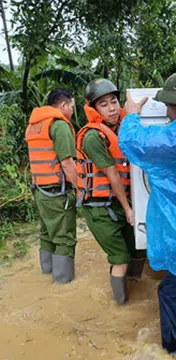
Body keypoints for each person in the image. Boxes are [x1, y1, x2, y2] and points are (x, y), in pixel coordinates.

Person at [118, 74, 176, 353]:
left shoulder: (169, 140)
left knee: (169, 291)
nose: (166, 110)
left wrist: (130, 115)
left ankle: (171, 349)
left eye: (169, 105)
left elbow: (133, 143)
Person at [76, 78, 146, 305]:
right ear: (93, 108)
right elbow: (112, 175)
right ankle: (121, 305)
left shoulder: (121, 128)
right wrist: (128, 209)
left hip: (120, 201)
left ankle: (136, 286)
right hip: (99, 207)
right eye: (104, 104)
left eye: (114, 101)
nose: (112, 108)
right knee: (120, 258)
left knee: (139, 248)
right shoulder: (93, 137)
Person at [24, 88, 78, 283]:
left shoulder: (35, 125)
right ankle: (63, 284)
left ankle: (47, 275)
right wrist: (81, 188)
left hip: (40, 191)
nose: (72, 111)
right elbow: (67, 163)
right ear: (63, 106)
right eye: (71, 107)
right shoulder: (59, 126)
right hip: (58, 193)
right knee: (64, 239)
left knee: (47, 234)